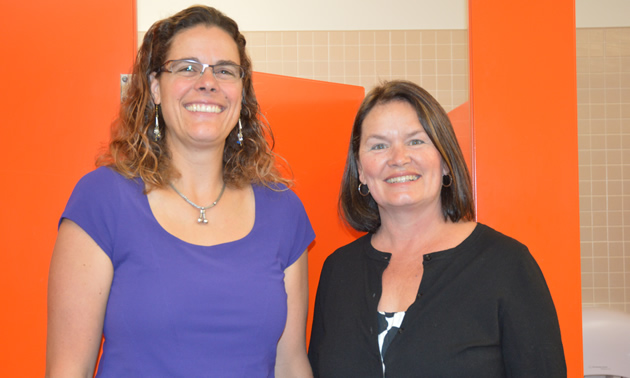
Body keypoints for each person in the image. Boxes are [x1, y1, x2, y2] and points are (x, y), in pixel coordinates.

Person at [46, 6, 314, 377]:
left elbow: (290, 364)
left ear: (241, 92)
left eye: (224, 70)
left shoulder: (284, 211)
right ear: (155, 86)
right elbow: (67, 371)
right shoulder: (102, 200)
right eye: (187, 67)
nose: (207, 82)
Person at [308, 80, 566, 377]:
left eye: (416, 141)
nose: (398, 158)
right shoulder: (338, 271)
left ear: (445, 161)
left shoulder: (507, 265)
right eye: (379, 145)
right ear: (361, 171)